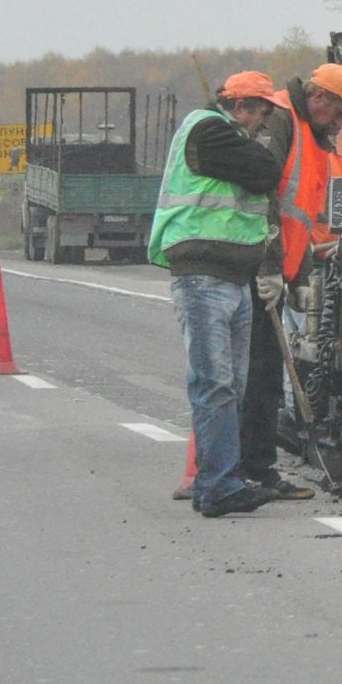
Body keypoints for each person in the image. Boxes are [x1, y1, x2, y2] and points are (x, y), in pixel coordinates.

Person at [148, 71, 286, 519]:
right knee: (215, 384)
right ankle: (218, 485)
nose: (266, 124)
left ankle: (220, 482)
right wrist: (260, 165)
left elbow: (262, 182)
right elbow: (267, 171)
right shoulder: (207, 131)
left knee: (232, 386)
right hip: (203, 274)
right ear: (241, 105)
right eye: (263, 111)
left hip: (231, 276)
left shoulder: (225, 137)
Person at [238, 61, 342, 500]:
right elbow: (264, 199)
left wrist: (298, 275)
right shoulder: (281, 121)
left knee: (267, 374)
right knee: (257, 375)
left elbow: (303, 220)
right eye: (341, 110)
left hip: (277, 271)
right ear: (319, 99)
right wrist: (271, 268)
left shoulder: (312, 138)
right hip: (255, 271)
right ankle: (250, 469)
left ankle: (256, 466)